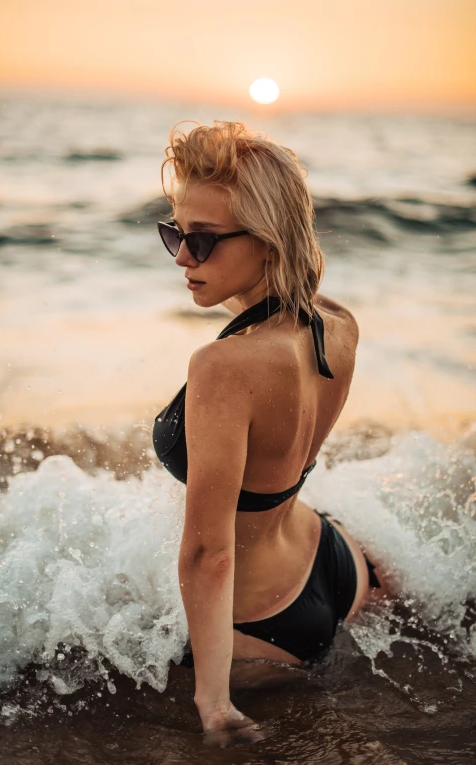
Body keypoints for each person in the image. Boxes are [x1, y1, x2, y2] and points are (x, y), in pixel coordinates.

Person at [152, 120, 383, 746]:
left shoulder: (223, 370)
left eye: (201, 241)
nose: (181, 257)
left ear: (268, 240)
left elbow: (209, 553)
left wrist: (214, 702)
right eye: (174, 232)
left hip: (263, 625)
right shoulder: (335, 323)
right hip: (332, 559)